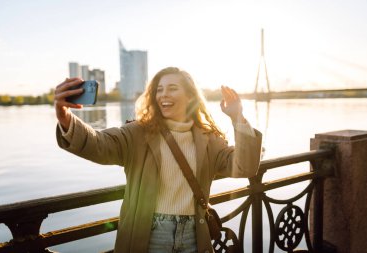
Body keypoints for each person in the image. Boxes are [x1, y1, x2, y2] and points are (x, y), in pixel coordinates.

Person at [54, 66, 262, 253]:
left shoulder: (209, 139)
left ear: (190, 97)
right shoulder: (137, 133)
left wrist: (238, 118)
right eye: (159, 89)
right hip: (148, 234)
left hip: (194, 233)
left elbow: (245, 167)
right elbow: (97, 143)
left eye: (172, 88)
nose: (164, 94)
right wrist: (64, 116)